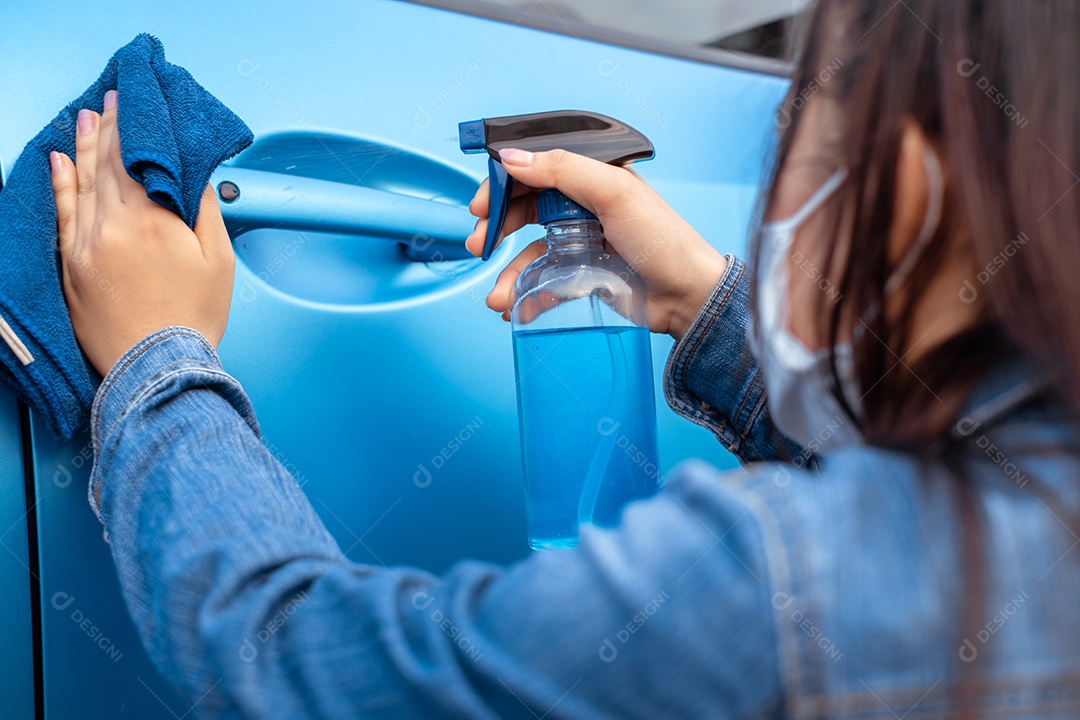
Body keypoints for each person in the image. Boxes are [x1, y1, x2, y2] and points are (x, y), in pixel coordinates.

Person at [47, 0, 1080, 717]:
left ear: (906, 189)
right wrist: (706, 306)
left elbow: (307, 675)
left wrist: (156, 362)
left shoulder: (770, 580)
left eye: (791, 123)